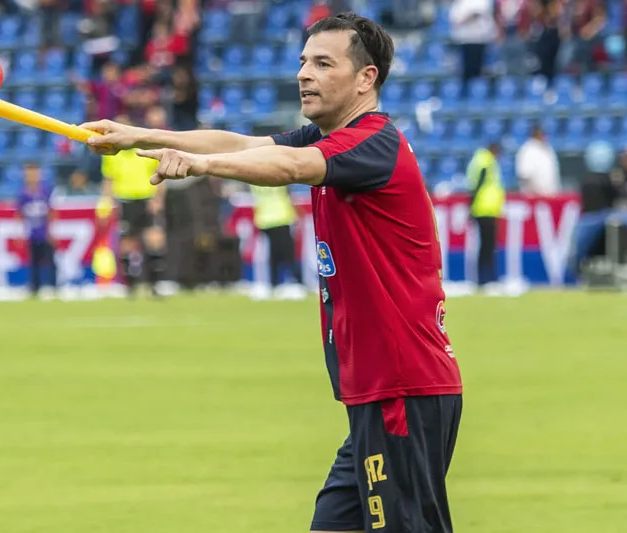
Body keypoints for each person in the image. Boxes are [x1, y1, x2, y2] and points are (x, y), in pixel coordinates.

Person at [83, 12, 463, 532]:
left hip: (400, 388)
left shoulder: (372, 142)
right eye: (304, 61)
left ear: (365, 78)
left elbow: (288, 168)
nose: (304, 73)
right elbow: (244, 145)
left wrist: (198, 168)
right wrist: (137, 135)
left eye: (323, 63)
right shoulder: (328, 135)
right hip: (375, 390)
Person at [99, 115, 166, 296]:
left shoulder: (144, 150)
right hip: (125, 199)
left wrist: (158, 199)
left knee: (154, 240)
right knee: (127, 243)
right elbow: (109, 180)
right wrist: (106, 201)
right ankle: (130, 285)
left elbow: (160, 174)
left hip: (146, 198)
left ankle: (155, 284)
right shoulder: (112, 154)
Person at [466, 142, 505, 289]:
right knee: (487, 246)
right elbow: (478, 186)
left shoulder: (481, 160)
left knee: (487, 245)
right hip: (484, 209)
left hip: (484, 209)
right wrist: (471, 206)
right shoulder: (486, 162)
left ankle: (486, 278)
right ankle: (485, 279)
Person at [16, 162, 57, 297]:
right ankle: (35, 287)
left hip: (44, 231)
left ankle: (53, 286)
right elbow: (19, 213)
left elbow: (51, 211)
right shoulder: (23, 193)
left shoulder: (45, 190)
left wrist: (51, 230)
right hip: (31, 232)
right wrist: (20, 232)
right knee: (33, 261)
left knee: (50, 260)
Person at [515, 125, 560, 197]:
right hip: (534, 196)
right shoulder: (527, 150)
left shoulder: (548, 149)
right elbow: (524, 174)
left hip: (550, 194)